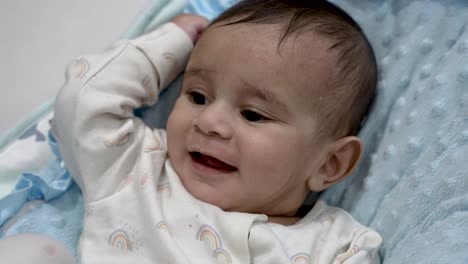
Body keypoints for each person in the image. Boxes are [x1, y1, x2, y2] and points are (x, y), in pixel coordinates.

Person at [1, 0, 382, 263]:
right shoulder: (137, 168)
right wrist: (172, 41)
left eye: (252, 114)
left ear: (330, 165)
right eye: (197, 96)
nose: (210, 122)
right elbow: (82, 100)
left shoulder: (337, 246)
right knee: (33, 253)